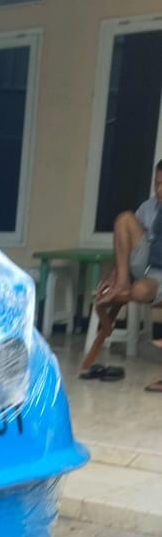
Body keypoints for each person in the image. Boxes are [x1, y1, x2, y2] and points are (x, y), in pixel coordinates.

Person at [93, 160, 162, 391]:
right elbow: (127, 246)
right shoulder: (149, 207)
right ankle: (122, 283)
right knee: (124, 218)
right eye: (157, 183)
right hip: (146, 264)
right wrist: (116, 274)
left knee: (140, 291)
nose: (159, 189)